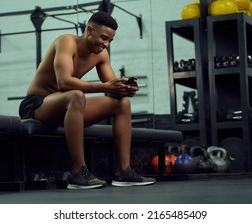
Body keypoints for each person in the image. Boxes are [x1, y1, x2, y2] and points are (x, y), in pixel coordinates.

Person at [19, 11, 156, 189]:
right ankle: (78, 172)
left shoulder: (102, 55)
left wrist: (125, 88)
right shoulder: (66, 42)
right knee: (76, 95)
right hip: (38, 104)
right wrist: (106, 87)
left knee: (122, 104)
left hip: (68, 109)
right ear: (89, 30)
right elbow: (63, 83)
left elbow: (112, 88)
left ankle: (123, 171)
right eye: (104, 38)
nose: (106, 44)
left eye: (110, 41)